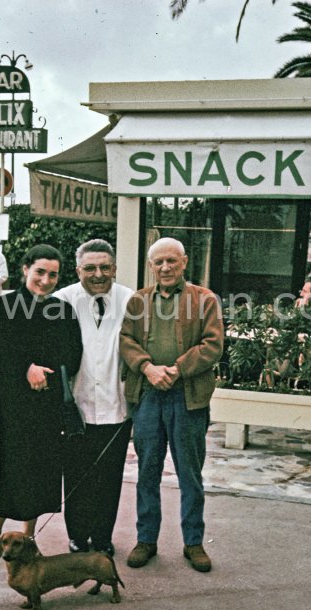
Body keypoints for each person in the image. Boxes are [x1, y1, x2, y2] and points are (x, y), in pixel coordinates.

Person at [0, 244, 82, 569]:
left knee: (40, 468)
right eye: (40, 272)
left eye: (53, 275)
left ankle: (28, 537)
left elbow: (73, 356)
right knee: (14, 466)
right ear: (25, 270)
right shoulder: (5, 305)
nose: (46, 280)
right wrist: (25, 366)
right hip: (13, 401)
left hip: (47, 403)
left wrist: (47, 368)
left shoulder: (62, 311)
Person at [119, 237, 224, 572]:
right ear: (151, 266)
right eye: (158, 262)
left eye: (171, 261)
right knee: (147, 471)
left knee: (189, 473)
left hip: (187, 397)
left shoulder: (204, 299)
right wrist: (147, 368)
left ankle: (193, 543)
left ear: (184, 262)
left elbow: (213, 344)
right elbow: (125, 339)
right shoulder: (138, 301)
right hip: (148, 395)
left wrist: (178, 369)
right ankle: (146, 539)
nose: (165, 268)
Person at [53, 239, 134, 556]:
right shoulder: (61, 301)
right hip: (76, 408)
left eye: (105, 267)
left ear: (114, 268)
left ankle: (102, 537)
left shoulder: (131, 301)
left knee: (109, 478)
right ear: (78, 270)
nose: (98, 274)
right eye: (90, 268)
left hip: (117, 406)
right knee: (75, 475)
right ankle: (77, 535)